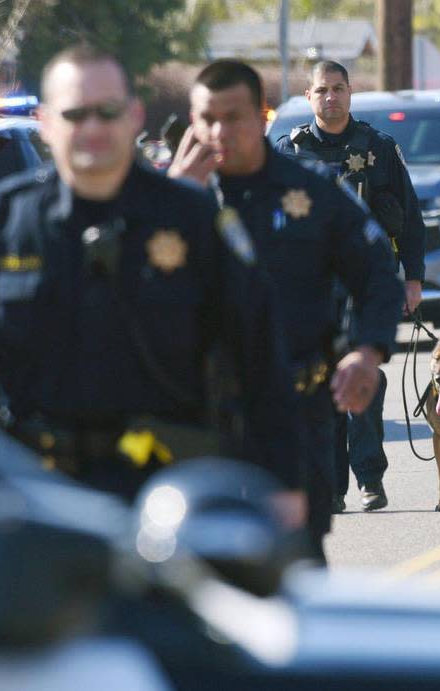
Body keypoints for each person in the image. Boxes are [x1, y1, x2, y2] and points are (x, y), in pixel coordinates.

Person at [0, 45, 307, 528]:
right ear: (45, 123)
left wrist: (286, 483)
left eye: (108, 111)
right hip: (39, 498)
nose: (93, 128)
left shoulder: (194, 220)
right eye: (75, 114)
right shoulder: (3, 222)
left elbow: (260, 357)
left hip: (172, 493)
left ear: (134, 116)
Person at [167, 59, 403, 561]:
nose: (219, 131)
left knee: (294, 560)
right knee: (195, 571)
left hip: (291, 416)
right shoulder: (171, 198)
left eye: (234, 117)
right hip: (194, 420)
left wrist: (367, 351)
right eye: (207, 118)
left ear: (261, 117)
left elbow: (377, 269)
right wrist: (173, 198)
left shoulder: (312, 191)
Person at [274, 60, 426, 513]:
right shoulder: (287, 151)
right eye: (322, 90)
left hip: (365, 284)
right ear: (309, 96)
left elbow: (411, 219)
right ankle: (331, 487)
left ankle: (370, 479)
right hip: (310, 287)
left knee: (363, 377)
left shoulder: (378, 148)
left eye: (338, 89)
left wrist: (412, 279)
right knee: (320, 382)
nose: (331, 98)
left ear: (350, 93)